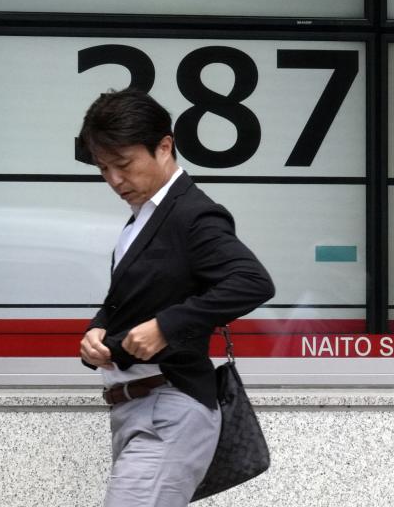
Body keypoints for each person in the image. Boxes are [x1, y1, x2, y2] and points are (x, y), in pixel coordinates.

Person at [78, 89, 274, 507]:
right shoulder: (143, 217)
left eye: (124, 165)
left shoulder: (192, 214)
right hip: (136, 407)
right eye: (104, 168)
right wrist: (97, 331)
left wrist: (166, 327)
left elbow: (252, 281)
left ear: (164, 146)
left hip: (170, 407)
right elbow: (138, 295)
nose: (114, 180)